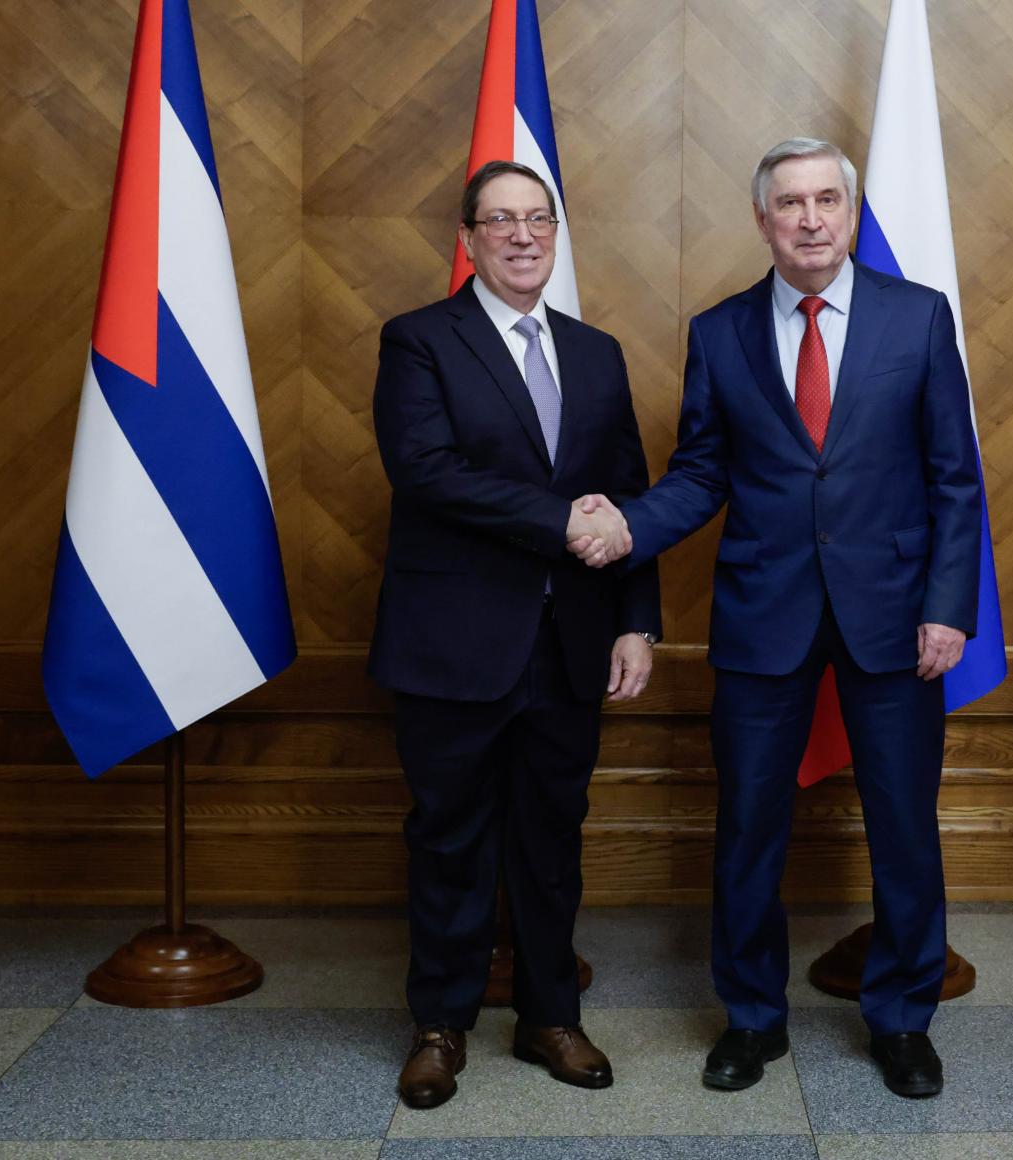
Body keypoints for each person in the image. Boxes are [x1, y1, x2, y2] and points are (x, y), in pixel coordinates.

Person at [595, 137, 980, 1098]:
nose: (810, 219)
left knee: (904, 828)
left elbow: (955, 478)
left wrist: (948, 607)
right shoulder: (720, 331)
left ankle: (903, 1020)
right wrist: (627, 528)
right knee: (748, 827)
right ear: (762, 220)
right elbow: (700, 474)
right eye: (790, 204)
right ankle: (751, 1019)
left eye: (826, 201)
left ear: (848, 212)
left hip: (896, 616)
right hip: (763, 612)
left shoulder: (918, 317)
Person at [369, 159, 661, 1109]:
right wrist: (557, 520)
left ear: (556, 233)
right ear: (469, 239)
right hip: (453, 642)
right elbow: (425, 470)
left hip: (571, 642)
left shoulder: (597, 352)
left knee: (551, 840)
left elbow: (626, 497)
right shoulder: (420, 339)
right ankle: (439, 1025)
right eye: (500, 220)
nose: (523, 235)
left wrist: (637, 622)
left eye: (539, 218)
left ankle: (550, 1017)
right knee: (449, 839)